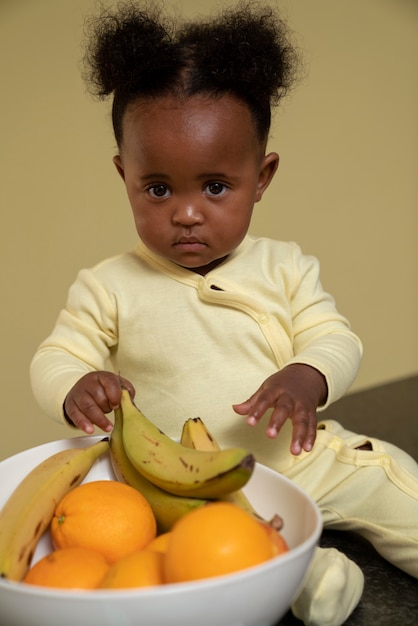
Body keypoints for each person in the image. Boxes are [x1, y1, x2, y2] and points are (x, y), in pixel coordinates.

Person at [30, 2, 418, 624]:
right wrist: (74, 383)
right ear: (123, 174)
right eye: (158, 188)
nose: (186, 213)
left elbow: (335, 337)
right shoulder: (108, 284)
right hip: (182, 482)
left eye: (215, 186)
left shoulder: (285, 265)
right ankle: (312, 581)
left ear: (261, 177)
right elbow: (57, 354)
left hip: (297, 453)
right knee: (216, 548)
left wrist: (307, 376)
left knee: (388, 476)